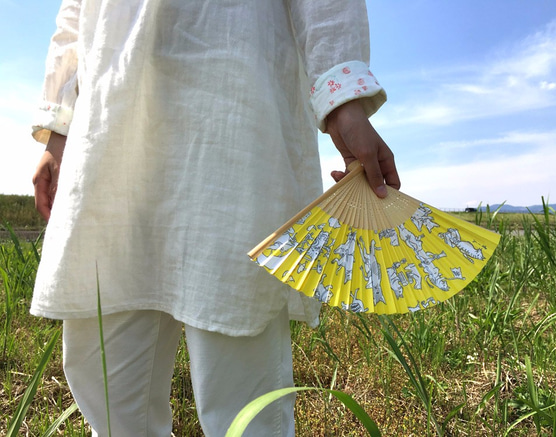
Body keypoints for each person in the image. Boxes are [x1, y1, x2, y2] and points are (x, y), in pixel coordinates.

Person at [31, 1, 400, 436]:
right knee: (106, 364)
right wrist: (59, 128)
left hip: (233, 85)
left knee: (239, 354)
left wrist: (344, 100)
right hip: (114, 104)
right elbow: (77, 10)